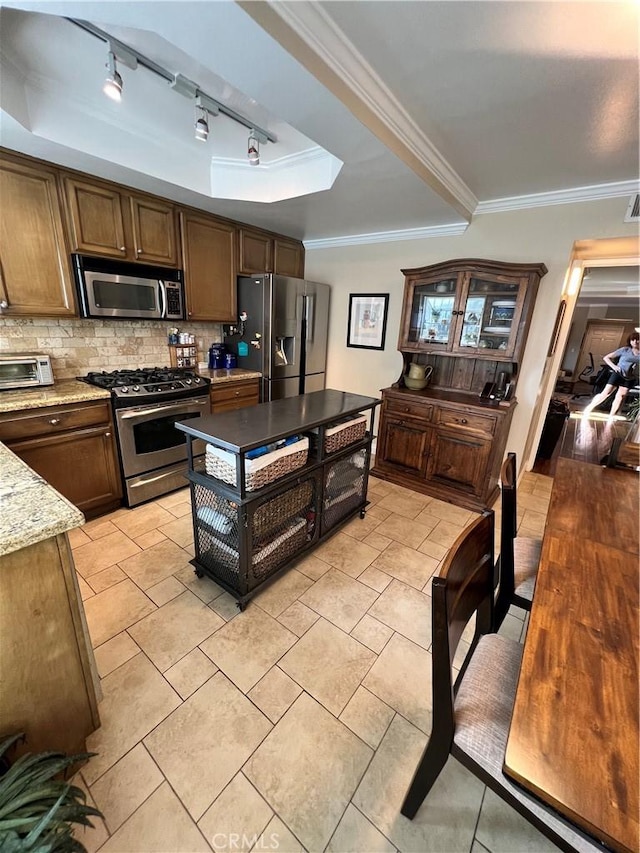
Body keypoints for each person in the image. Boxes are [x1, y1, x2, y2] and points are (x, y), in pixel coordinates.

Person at [582, 333, 640, 417]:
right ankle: (588, 409)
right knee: (606, 393)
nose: (635, 342)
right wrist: (614, 367)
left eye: (637, 339)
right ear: (630, 341)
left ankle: (611, 416)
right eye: (632, 340)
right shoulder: (625, 350)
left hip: (630, 378)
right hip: (618, 374)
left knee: (620, 396)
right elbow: (606, 357)